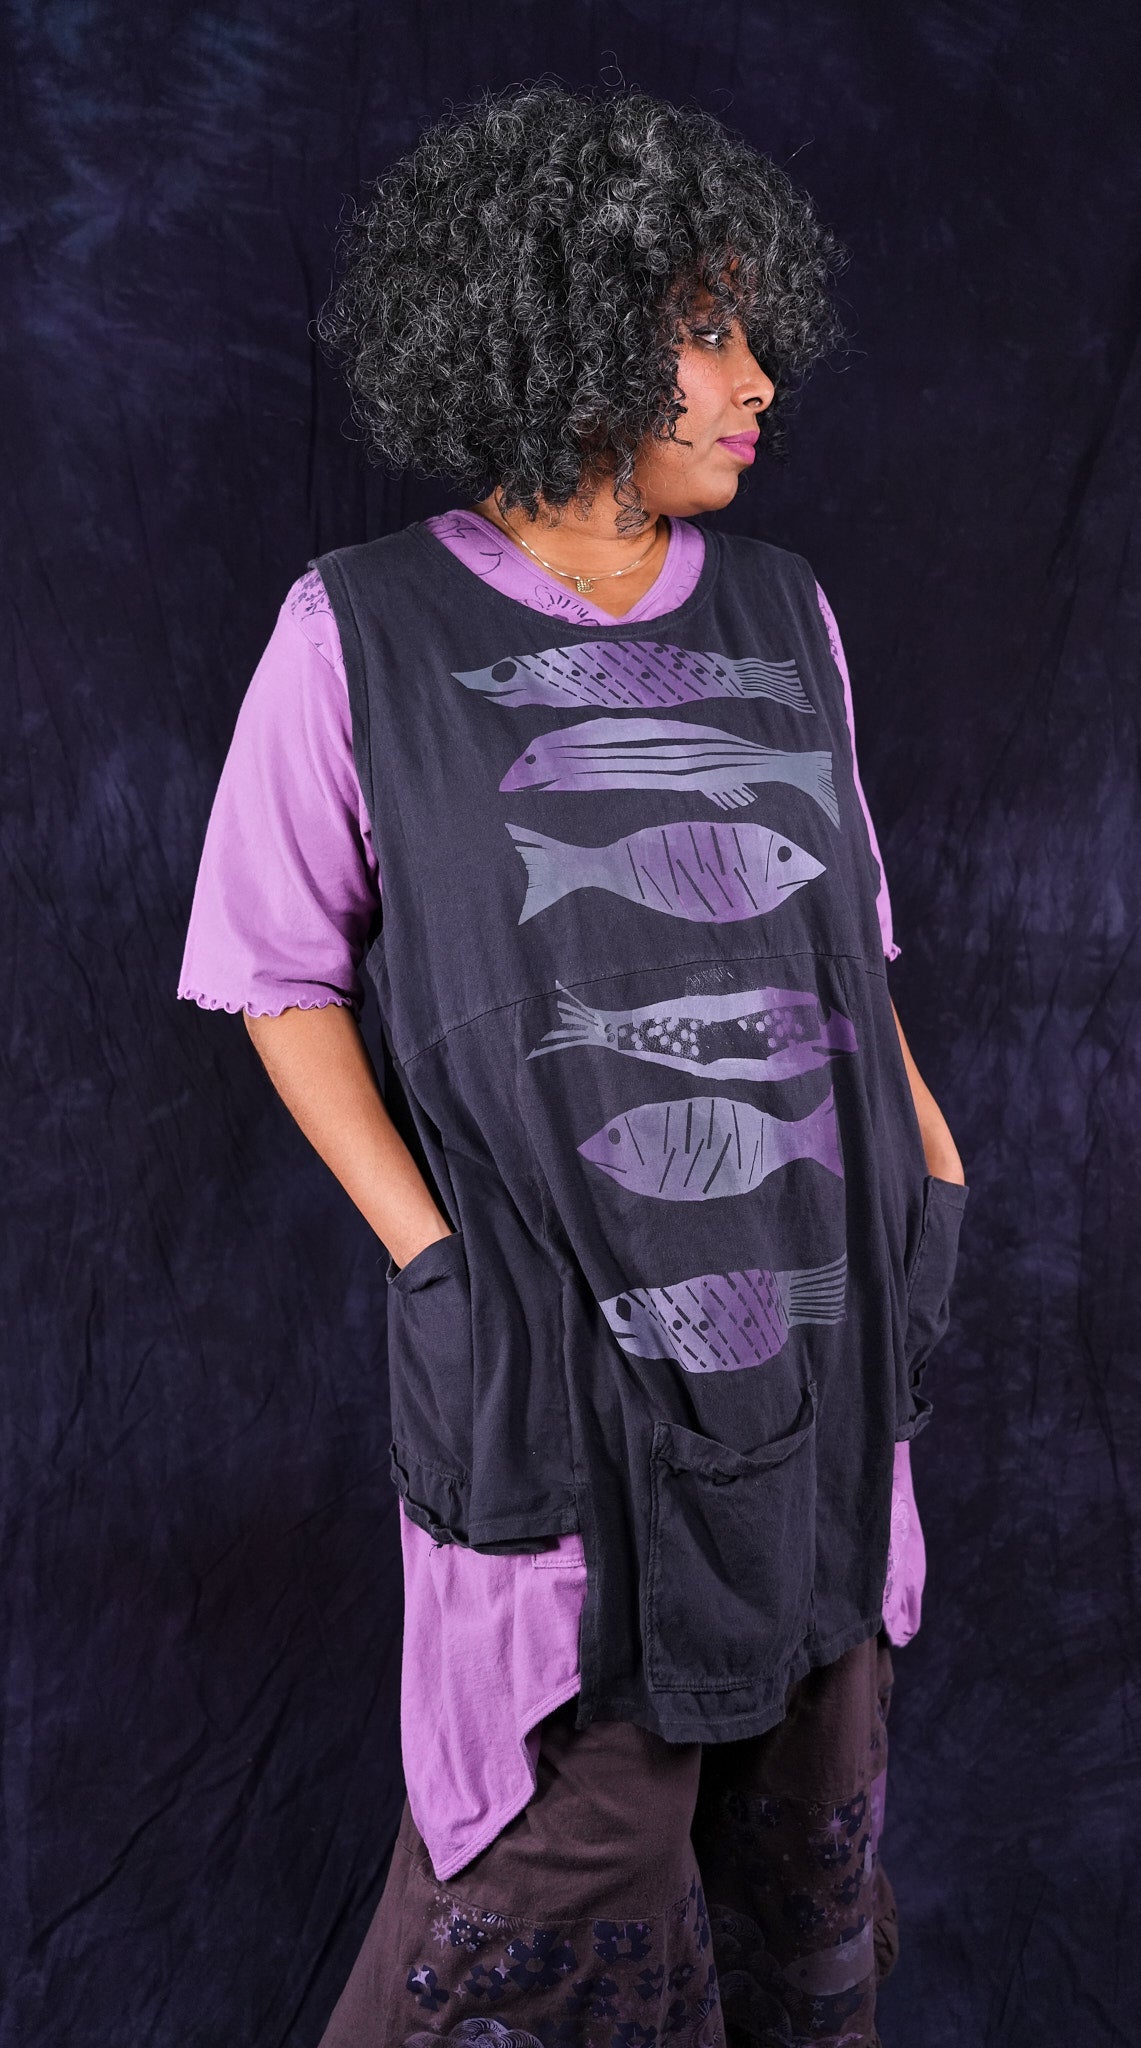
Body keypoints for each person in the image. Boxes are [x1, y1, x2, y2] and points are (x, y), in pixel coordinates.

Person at [177, 81, 968, 2048]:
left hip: (817, 1329)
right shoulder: (358, 631)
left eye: (747, 325)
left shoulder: (784, 610)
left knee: (796, 1885)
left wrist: (930, 1177)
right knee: (550, 1900)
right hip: (552, 1352)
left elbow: (845, 945)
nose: (754, 378)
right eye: (703, 329)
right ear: (567, 337)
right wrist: (431, 1256)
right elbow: (276, 976)